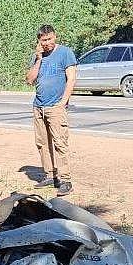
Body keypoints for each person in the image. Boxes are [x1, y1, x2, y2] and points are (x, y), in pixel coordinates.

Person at [24, 25, 77, 197]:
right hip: (39, 105)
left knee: (60, 142)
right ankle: (50, 175)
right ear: (39, 41)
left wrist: (63, 102)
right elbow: (29, 80)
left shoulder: (65, 53)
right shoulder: (38, 56)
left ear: (55, 37)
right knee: (42, 142)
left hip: (56, 106)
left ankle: (65, 180)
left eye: (49, 39)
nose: (47, 43)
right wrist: (38, 59)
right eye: (43, 40)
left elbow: (71, 79)